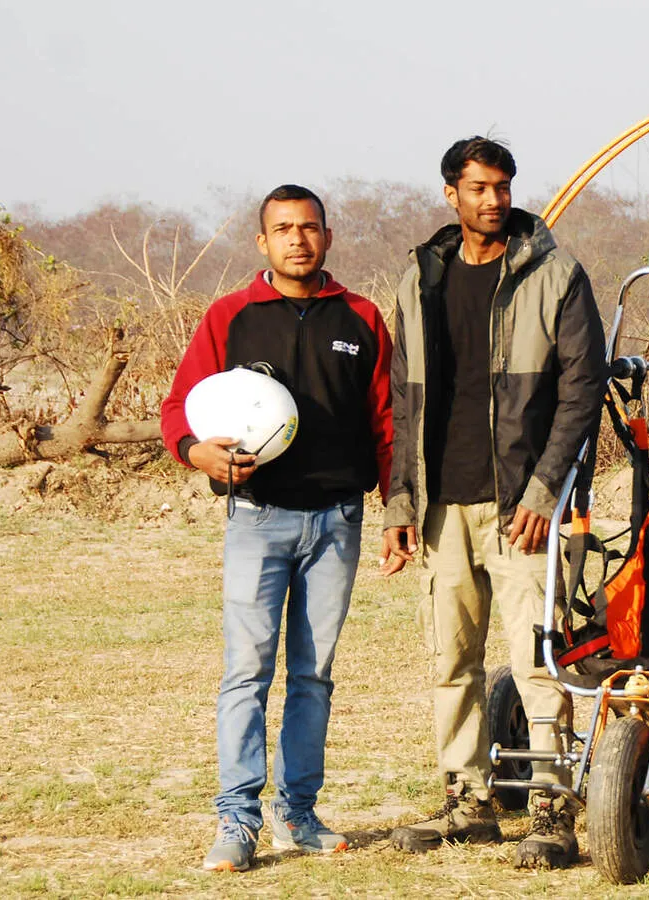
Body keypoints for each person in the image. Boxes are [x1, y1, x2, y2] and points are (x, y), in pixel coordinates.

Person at [380, 136, 607, 869]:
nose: (494, 200)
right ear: (451, 193)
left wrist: (544, 489)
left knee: (538, 664)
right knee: (451, 660)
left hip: (522, 508)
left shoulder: (556, 273)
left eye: (502, 187)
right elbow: (404, 401)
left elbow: (583, 392)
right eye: (478, 188)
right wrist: (400, 503)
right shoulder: (419, 278)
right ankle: (467, 801)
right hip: (442, 506)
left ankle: (552, 810)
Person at [160, 184, 393, 873]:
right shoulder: (229, 316)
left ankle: (299, 814)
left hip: (338, 520)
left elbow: (387, 419)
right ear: (263, 241)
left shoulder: (362, 317)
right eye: (284, 229)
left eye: (310, 227)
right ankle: (236, 820)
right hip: (258, 518)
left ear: (327, 236)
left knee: (313, 676)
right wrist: (195, 452)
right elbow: (179, 407)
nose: (298, 239)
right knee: (247, 672)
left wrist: (399, 508)